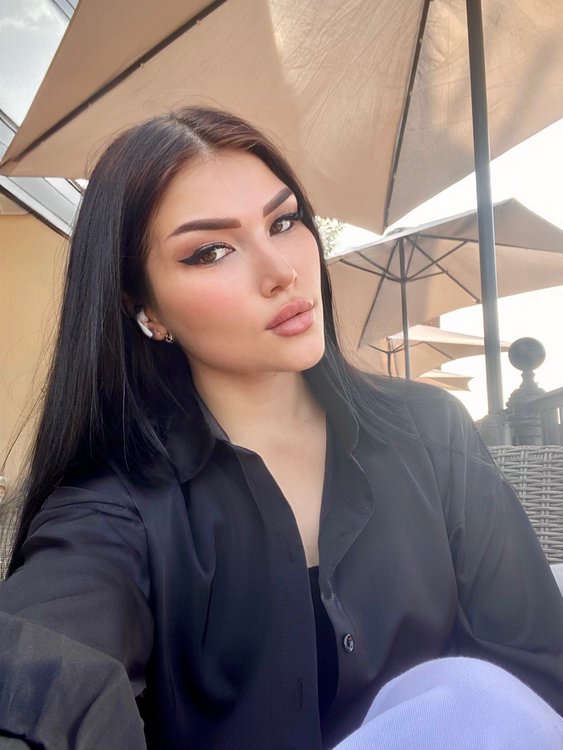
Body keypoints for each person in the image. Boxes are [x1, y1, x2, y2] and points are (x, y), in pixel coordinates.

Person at [0, 107, 561, 750]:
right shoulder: (113, 509)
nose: (282, 272)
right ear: (146, 310)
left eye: (283, 222)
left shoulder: (433, 432)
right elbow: (44, 675)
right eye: (210, 251)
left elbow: (539, 665)